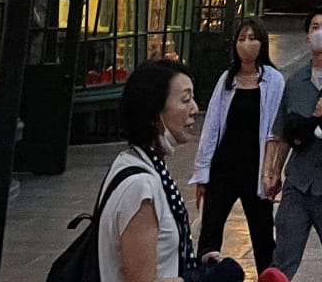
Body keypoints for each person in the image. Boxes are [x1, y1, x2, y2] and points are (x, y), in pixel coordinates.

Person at [98, 59, 244, 282]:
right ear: (155, 113)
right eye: (185, 99)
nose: (194, 108)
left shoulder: (143, 163)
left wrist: (196, 265)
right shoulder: (139, 186)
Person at [263, 8, 322, 282]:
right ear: (307, 36)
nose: (320, 31)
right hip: (299, 180)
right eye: (315, 26)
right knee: (284, 253)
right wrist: (272, 173)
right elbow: (281, 132)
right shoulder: (295, 82)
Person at [191, 18, 284, 274]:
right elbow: (211, 125)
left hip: (257, 169)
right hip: (224, 168)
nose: (247, 44)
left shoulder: (273, 80)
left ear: (262, 43)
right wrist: (203, 171)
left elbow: (277, 130)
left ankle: (269, 277)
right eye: (242, 38)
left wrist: (274, 171)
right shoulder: (227, 79)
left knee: (263, 235)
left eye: (253, 38)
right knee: (210, 230)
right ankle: (205, 276)